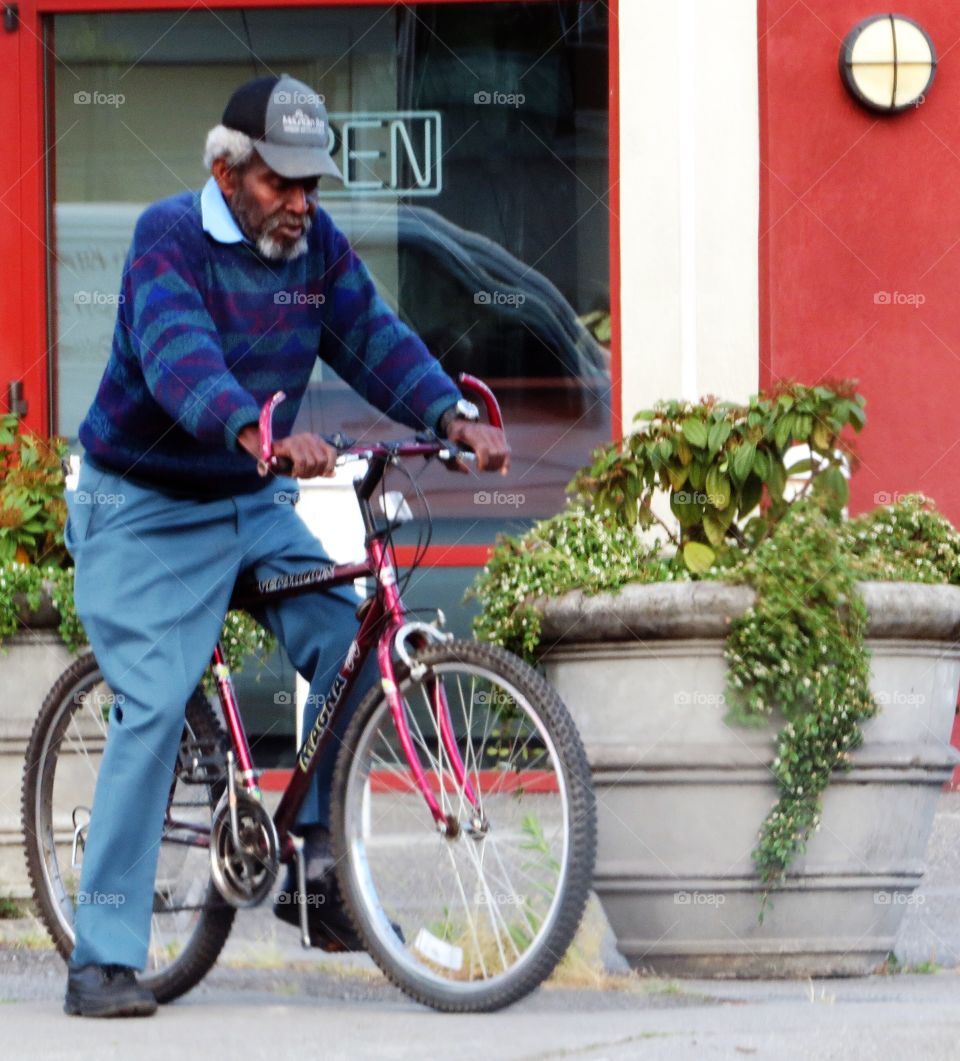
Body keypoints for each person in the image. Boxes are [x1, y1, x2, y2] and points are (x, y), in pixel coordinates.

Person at [62, 73, 509, 1019]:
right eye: (281, 182)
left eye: (313, 184)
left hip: (247, 500)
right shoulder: (166, 240)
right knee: (149, 705)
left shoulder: (314, 247)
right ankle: (101, 954)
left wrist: (448, 410)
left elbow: (371, 334)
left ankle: (318, 869)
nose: (302, 202)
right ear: (228, 172)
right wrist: (251, 430)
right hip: (138, 505)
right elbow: (181, 356)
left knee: (345, 635)